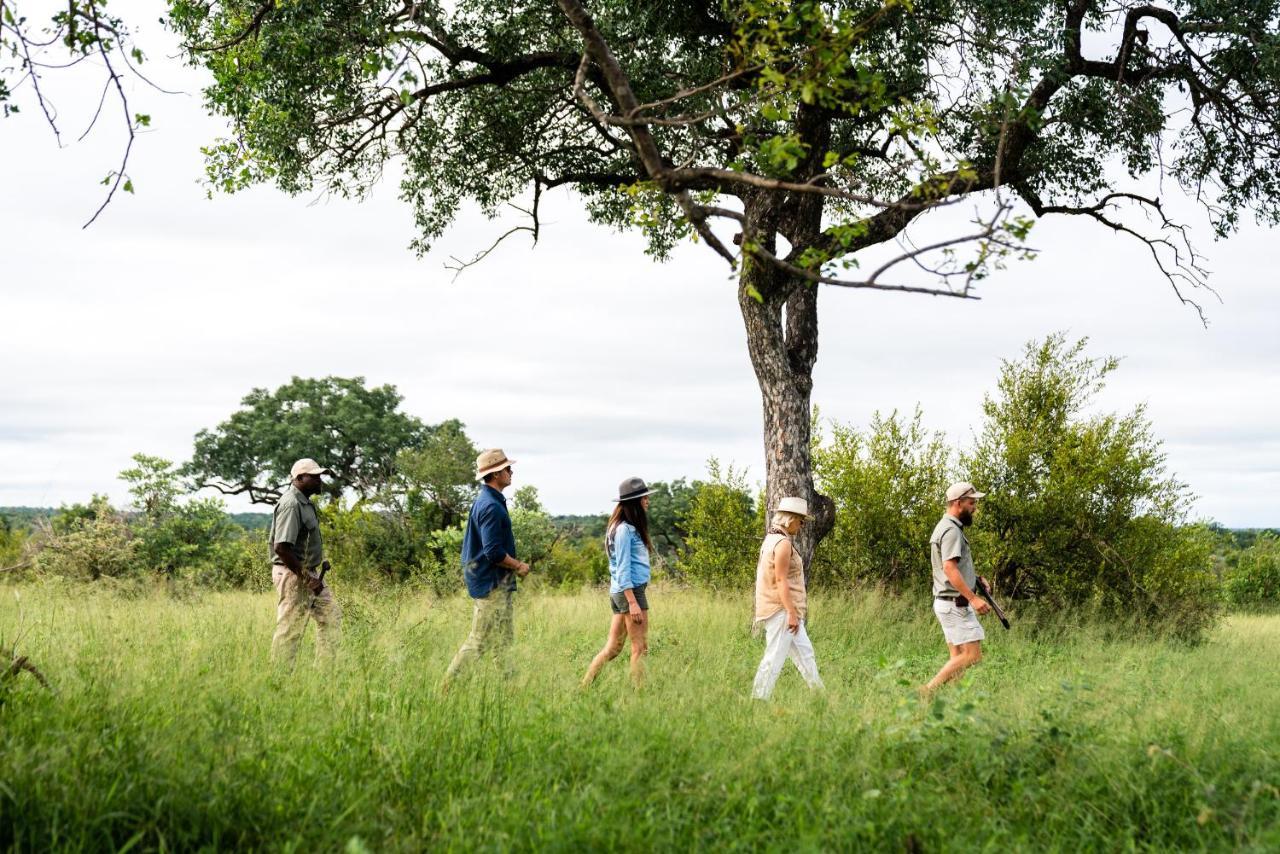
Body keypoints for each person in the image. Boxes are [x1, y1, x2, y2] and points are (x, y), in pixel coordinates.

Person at [442, 448, 531, 687]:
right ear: (495, 474)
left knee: (503, 642)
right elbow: (493, 552)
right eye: (506, 468)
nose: (511, 471)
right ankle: (447, 687)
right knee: (479, 640)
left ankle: (510, 690)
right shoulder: (490, 506)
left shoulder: (489, 501)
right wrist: (519, 565)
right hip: (491, 584)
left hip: (493, 582)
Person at [581, 476, 656, 688]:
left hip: (622, 591)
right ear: (635, 502)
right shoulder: (623, 530)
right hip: (629, 592)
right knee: (639, 648)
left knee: (613, 648)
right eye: (644, 497)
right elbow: (623, 568)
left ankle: (585, 686)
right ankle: (639, 695)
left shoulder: (621, 526)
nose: (647, 500)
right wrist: (632, 602)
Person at [269, 458, 342, 665]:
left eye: (320, 476)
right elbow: (281, 548)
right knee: (291, 628)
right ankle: (278, 682)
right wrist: (307, 578)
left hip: (307, 573)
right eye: (315, 476)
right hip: (294, 574)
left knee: (331, 617)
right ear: (299, 478)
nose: (320, 480)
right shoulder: (291, 504)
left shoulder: (305, 502)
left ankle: (325, 676)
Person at [751, 497, 824, 700]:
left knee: (806, 654)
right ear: (790, 519)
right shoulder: (782, 543)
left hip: (785, 610)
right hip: (782, 610)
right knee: (774, 656)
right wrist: (791, 612)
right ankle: (758, 699)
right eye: (801, 521)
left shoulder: (771, 539)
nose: (801, 526)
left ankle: (820, 697)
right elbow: (781, 579)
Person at [922, 482, 991, 695]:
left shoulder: (947, 527)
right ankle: (926, 692)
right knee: (972, 655)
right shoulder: (951, 530)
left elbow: (954, 567)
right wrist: (973, 598)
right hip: (955, 603)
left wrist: (975, 578)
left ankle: (952, 705)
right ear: (957, 503)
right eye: (971, 503)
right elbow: (949, 568)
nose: (974, 508)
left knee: (957, 658)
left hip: (947, 602)